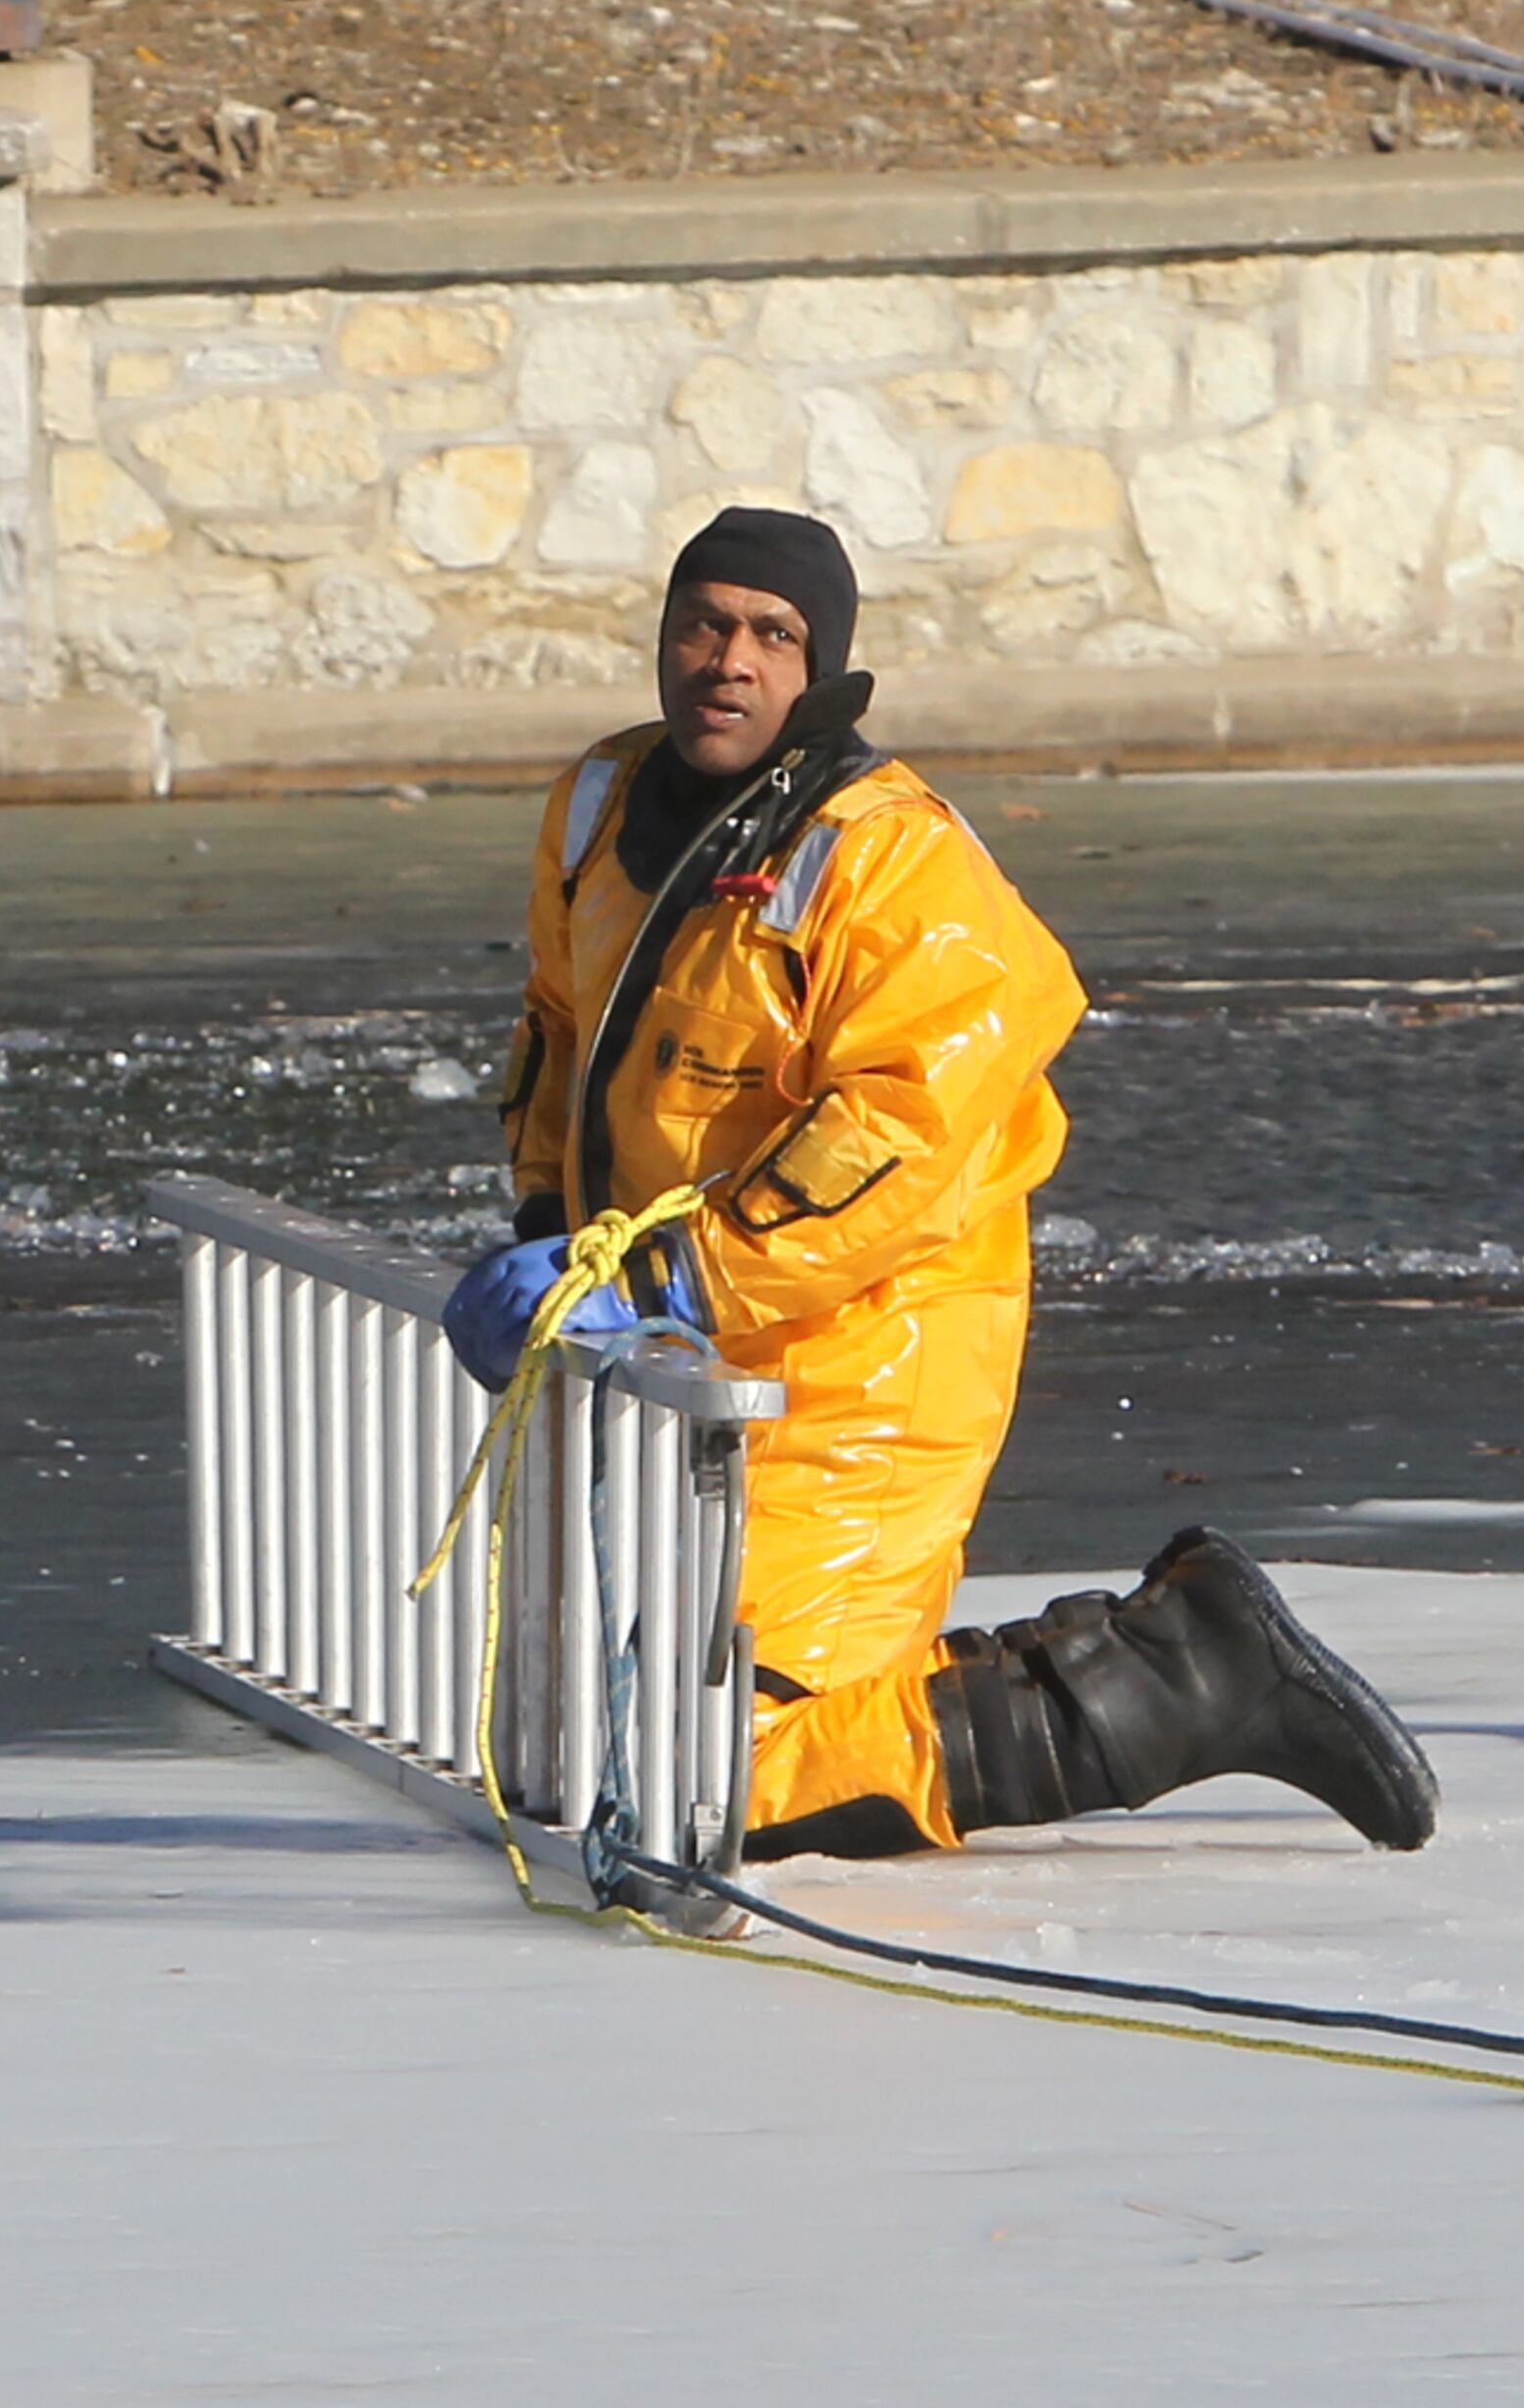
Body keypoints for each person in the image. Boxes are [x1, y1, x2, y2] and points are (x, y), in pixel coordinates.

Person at [453, 506, 1437, 1860]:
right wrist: (547, 1230)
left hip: (876, 1357)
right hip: (709, 1353)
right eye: (703, 622)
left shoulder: (893, 859)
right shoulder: (599, 806)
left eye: (772, 635)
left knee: (712, 1770)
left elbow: (904, 1128)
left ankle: (1185, 1674)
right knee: (635, 1737)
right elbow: (561, 1029)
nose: (727, 659)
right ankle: (1148, 1661)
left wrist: (666, 1275)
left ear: (822, 668)